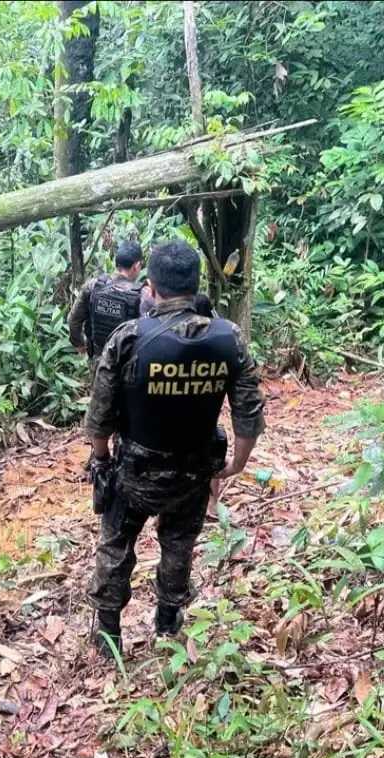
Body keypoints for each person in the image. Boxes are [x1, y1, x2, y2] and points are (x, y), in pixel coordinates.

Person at [85, 239, 265, 658]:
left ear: (150, 287)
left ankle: (109, 636)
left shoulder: (128, 337)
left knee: (115, 546)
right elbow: (249, 413)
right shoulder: (229, 338)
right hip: (194, 471)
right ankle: (168, 624)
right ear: (195, 284)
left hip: (134, 472)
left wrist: (101, 458)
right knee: (178, 545)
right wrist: (235, 466)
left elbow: (99, 417)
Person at [67, 241, 144, 371]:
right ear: (136, 266)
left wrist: (79, 344)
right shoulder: (142, 294)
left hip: (99, 361)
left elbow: (73, 320)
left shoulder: (93, 286)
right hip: (128, 364)